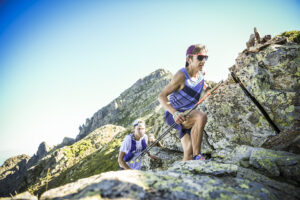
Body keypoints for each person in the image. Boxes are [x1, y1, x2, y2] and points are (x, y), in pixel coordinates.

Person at [158, 44, 208, 161]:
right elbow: (161, 96)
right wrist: (175, 113)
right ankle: (198, 156)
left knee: (188, 152)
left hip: (189, 113)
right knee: (201, 116)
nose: (203, 61)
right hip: (175, 114)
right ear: (188, 59)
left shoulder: (201, 74)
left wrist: (207, 88)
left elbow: (201, 83)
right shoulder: (181, 76)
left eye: (206, 58)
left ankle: (184, 176)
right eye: (200, 57)